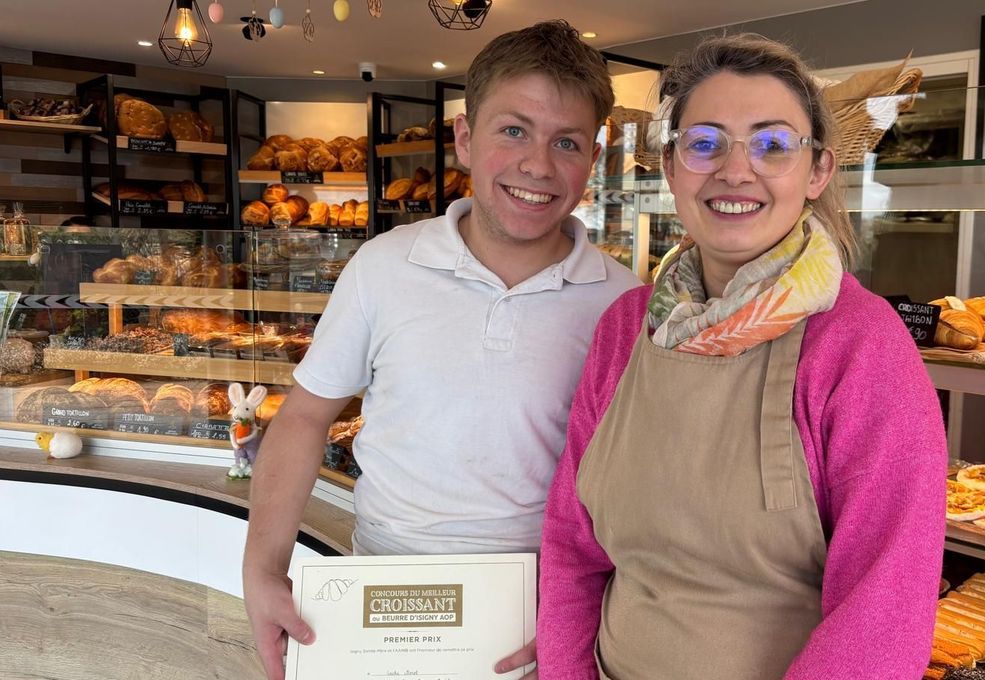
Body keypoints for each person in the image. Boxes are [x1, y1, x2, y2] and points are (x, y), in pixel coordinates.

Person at [536, 34, 946, 679]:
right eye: (704, 143)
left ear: (817, 172)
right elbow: (571, 548)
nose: (735, 170)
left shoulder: (860, 345)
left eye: (772, 145)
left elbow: (883, 607)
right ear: (671, 168)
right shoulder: (625, 329)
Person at [241, 20, 641, 680]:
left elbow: (637, 478)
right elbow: (307, 416)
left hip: (543, 602)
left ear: (592, 162)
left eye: (566, 142)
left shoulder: (622, 304)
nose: (538, 164)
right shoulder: (384, 266)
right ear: (463, 138)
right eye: (513, 130)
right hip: (384, 586)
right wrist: (262, 568)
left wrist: (588, 598)